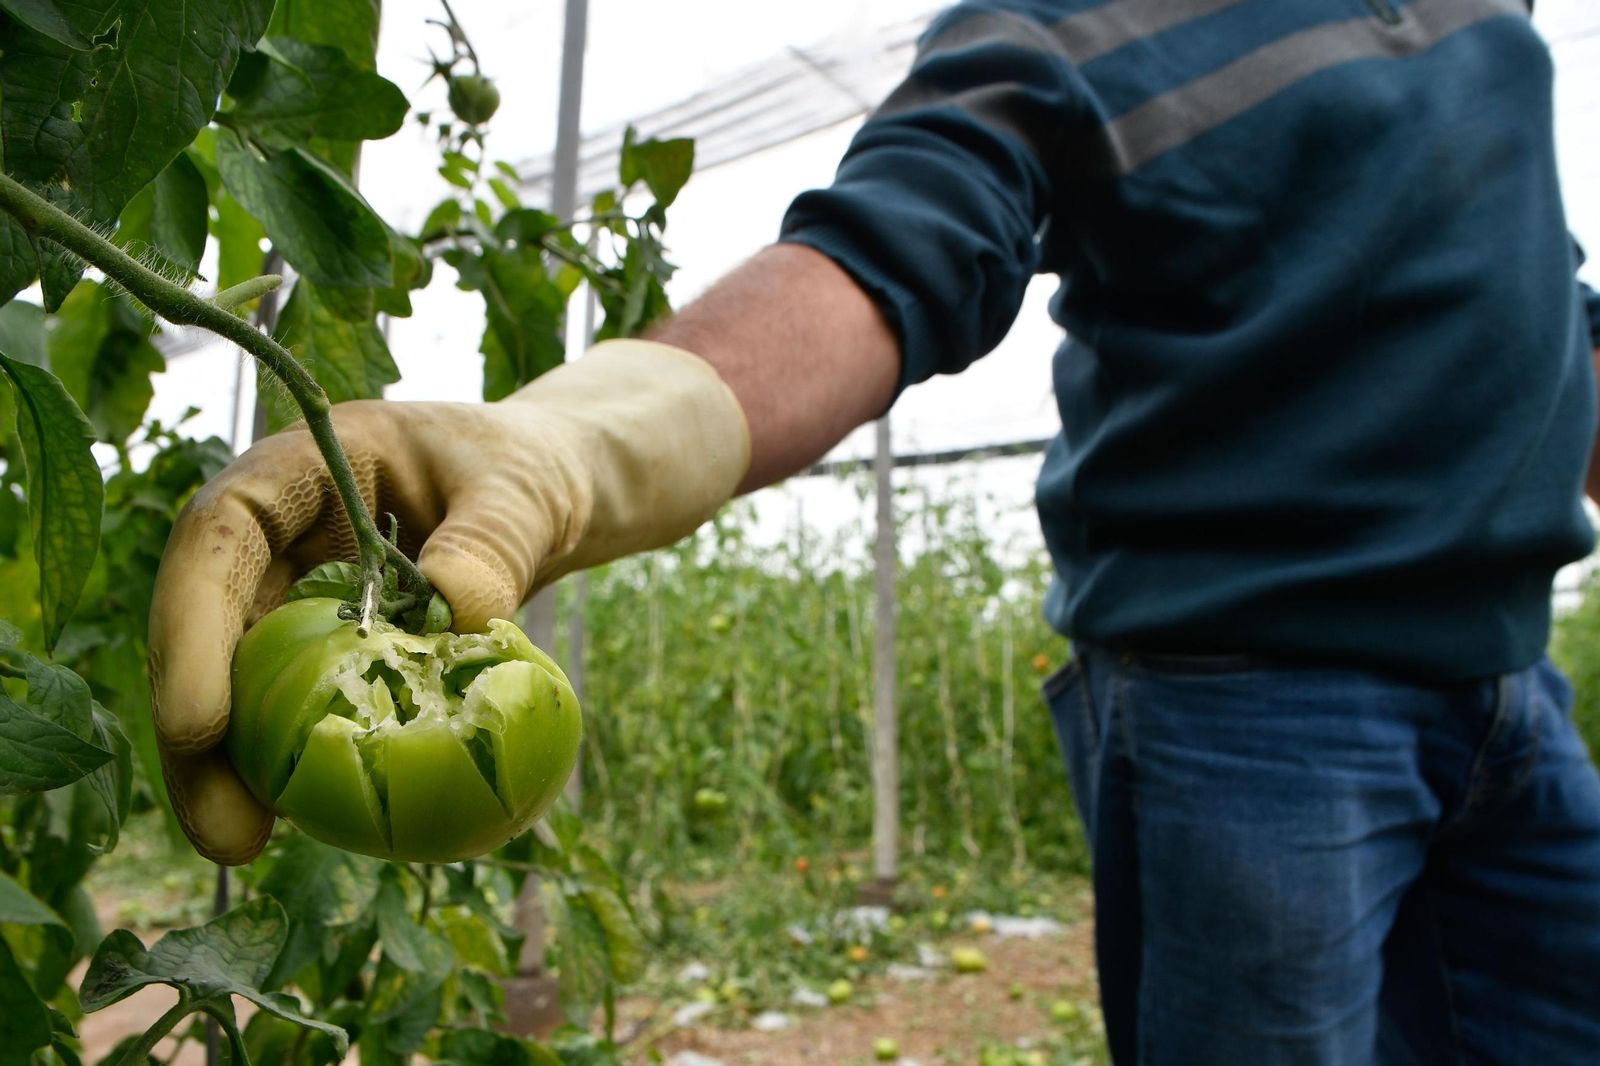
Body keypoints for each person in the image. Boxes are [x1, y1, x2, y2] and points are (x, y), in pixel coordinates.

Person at [149, 0, 1600, 1061]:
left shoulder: (1494, 19)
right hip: (1255, 703)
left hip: (1518, 688)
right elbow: (878, 260)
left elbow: (1548, 320)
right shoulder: (1064, 23)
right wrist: (564, 449)